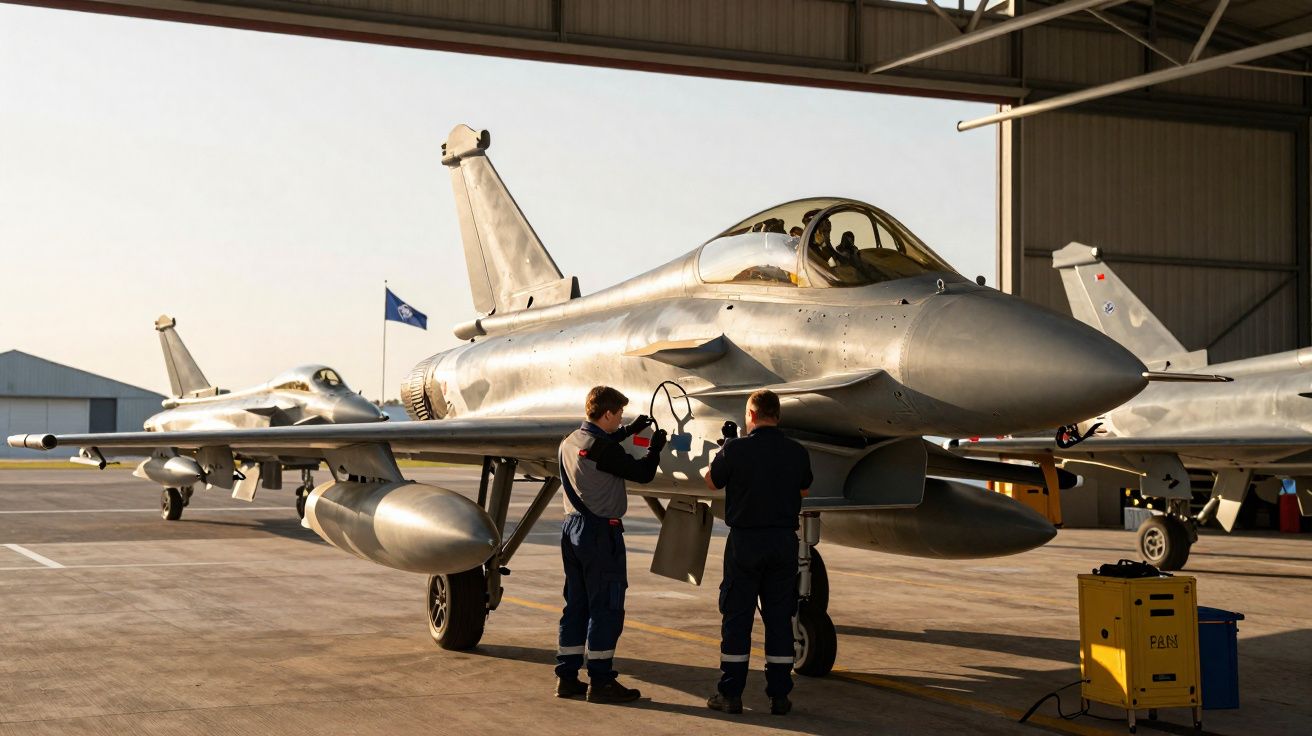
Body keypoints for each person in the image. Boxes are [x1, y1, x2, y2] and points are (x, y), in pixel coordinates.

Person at [555, 386, 667, 703]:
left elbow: (599, 449)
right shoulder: (604, 450)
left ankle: (566, 677)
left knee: (576, 605)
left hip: (572, 530)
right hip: (601, 534)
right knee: (606, 608)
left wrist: (630, 431)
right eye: (618, 416)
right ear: (607, 413)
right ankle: (601, 681)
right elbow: (642, 474)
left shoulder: (570, 442)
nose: (619, 421)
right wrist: (655, 448)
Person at [703, 389, 812, 716]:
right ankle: (779, 696)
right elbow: (805, 488)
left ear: (750, 415)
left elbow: (711, 482)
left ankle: (731, 695)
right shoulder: (796, 451)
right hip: (783, 543)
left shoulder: (736, 449)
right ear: (777, 416)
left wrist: (722, 453)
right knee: (779, 618)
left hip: (746, 543)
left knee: (737, 617)